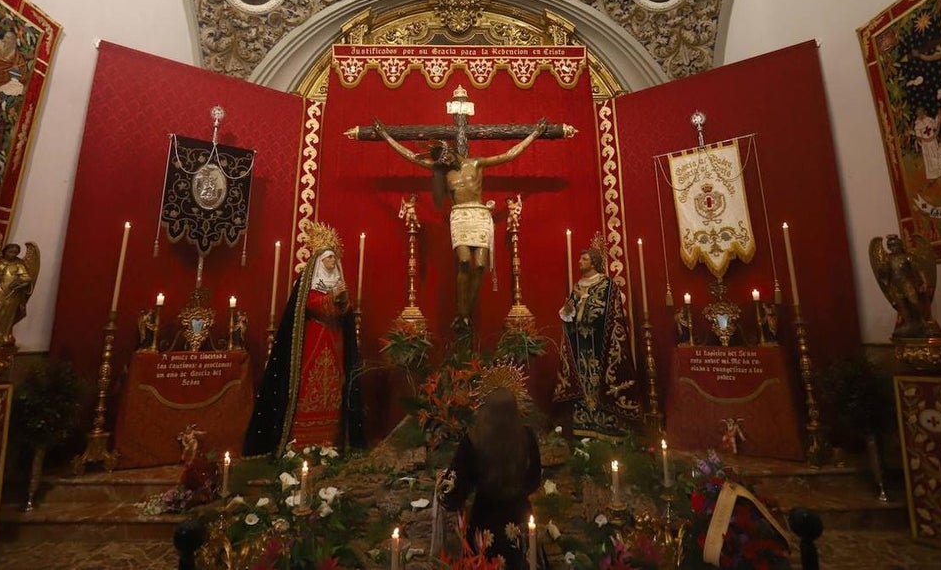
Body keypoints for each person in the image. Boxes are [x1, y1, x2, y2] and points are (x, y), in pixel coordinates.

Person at [374, 118, 547, 343]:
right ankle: (462, 314)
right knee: (464, 261)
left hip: (479, 214)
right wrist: (387, 136)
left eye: (446, 157)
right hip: (460, 216)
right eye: (441, 160)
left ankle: (465, 312)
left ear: (452, 151)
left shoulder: (475, 164)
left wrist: (533, 135)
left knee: (481, 265)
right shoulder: (444, 172)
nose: (444, 162)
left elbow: (509, 155)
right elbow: (410, 156)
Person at [243, 226, 365, 456]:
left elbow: (343, 314)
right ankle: (301, 441)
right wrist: (333, 299)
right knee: (309, 382)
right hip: (313, 341)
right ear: (319, 261)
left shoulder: (338, 282)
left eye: (333, 258)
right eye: (328, 258)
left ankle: (331, 440)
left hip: (335, 341)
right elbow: (312, 305)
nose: (332, 262)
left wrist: (342, 301)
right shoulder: (309, 282)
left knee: (334, 385)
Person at [439, 388, 541, 570]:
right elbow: (534, 480)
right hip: (519, 520)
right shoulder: (527, 438)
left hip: (484, 523)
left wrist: (443, 488)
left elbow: (453, 490)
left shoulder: (473, 440)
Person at [553, 246, 642, 439]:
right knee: (584, 386)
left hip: (601, 345)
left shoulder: (607, 285)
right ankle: (583, 428)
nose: (579, 262)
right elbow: (567, 316)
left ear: (593, 262)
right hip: (581, 346)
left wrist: (587, 309)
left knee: (602, 383)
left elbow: (612, 313)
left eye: (584, 259)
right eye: (580, 259)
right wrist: (574, 299)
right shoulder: (577, 287)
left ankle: (608, 429)